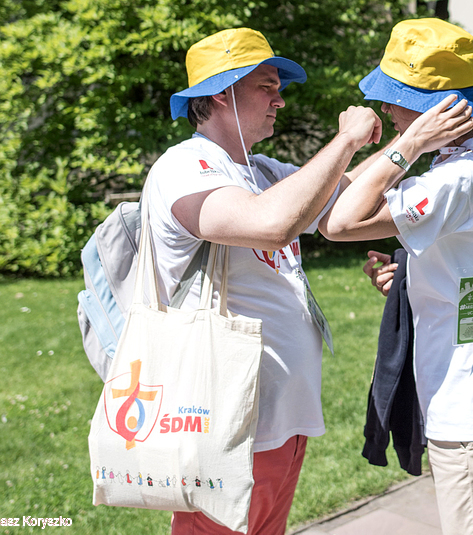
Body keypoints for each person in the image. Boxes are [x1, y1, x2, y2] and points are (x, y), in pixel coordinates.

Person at [145, 27, 386, 535]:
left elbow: (344, 198)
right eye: (266, 86)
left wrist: (415, 140)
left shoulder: (261, 169)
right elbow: (270, 225)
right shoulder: (184, 166)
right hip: (222, 422)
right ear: (220, 94)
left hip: (279, 417)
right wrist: (345, 139)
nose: (280, 100)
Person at [318, 18, 473, 535]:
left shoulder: (455, 177)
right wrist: (412, 273)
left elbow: (338, 222)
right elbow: (461, 257)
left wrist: (408, 145)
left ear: (432, 111)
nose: (385, 109)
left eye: (395, 98)